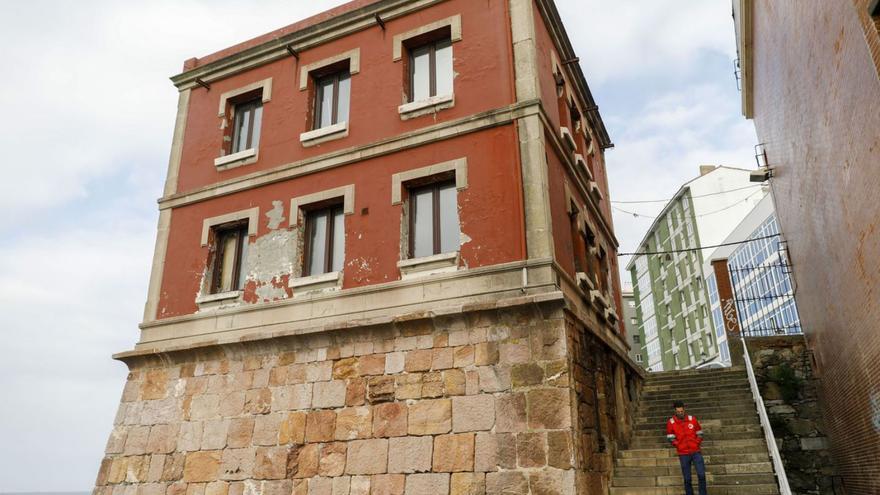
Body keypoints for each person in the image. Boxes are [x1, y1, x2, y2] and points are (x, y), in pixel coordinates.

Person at [666, 400, 707, 495]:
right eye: (678, 412)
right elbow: (670, 437)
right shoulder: (671, 422)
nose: (680, 413)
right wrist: (678, 445)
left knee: (701, 475)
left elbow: (700, 433)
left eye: (682, 411)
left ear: (684, 410)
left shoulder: (692, 419)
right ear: (675, 411)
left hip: (696, 452)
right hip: (683, 454)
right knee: (687, 478)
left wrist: (696, 443)